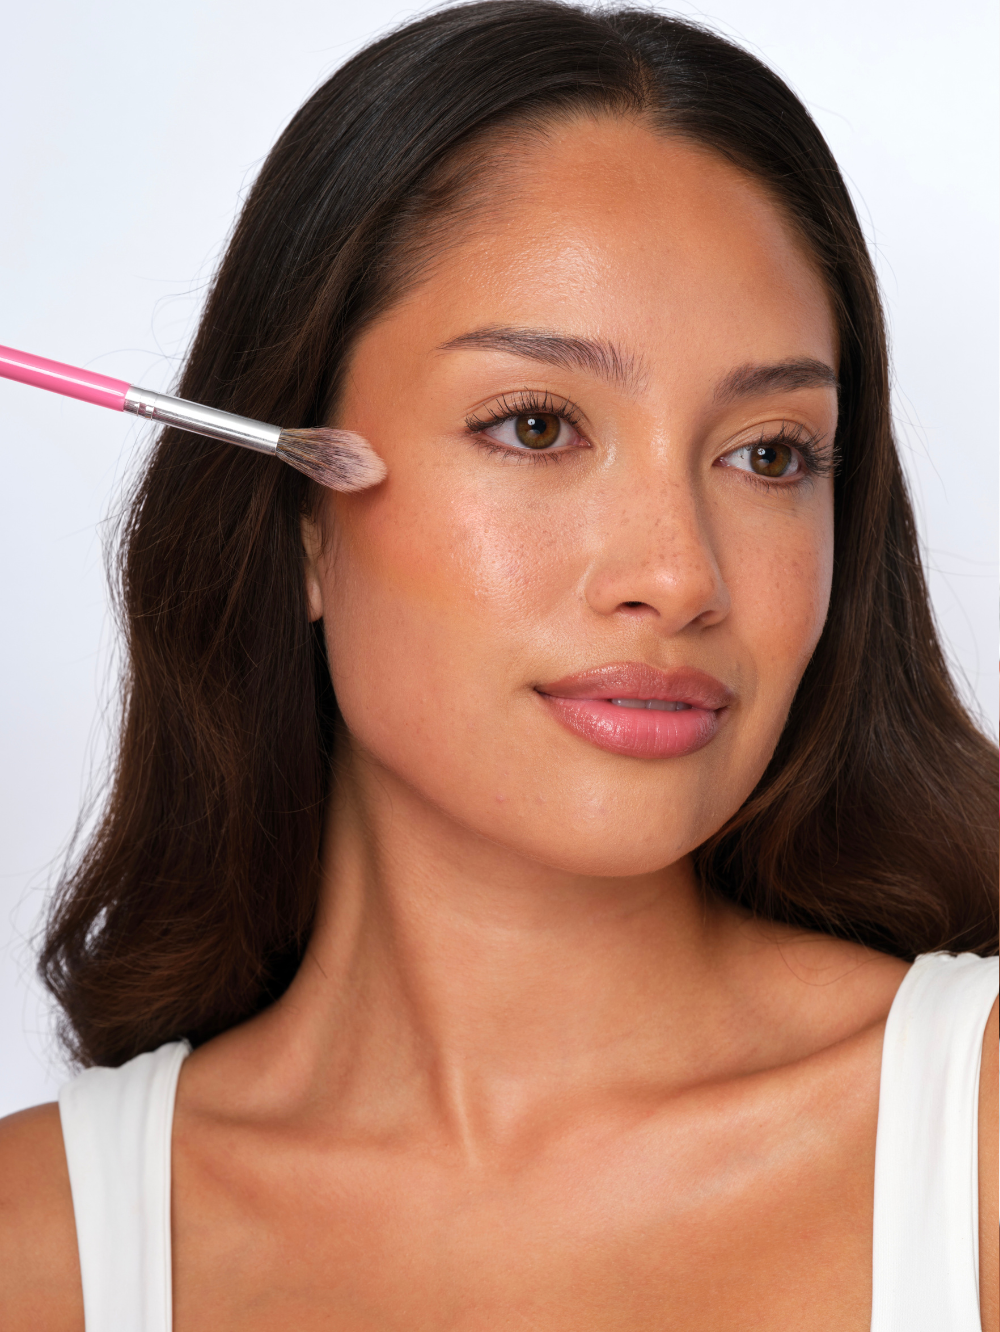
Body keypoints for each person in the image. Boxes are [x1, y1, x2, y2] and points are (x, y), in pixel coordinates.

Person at [0, 3, 996, 1328]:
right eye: (537, 426)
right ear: (297, 513)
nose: (682, 576)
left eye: (769, 454)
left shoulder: (974, 1145)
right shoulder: (38, 1253)